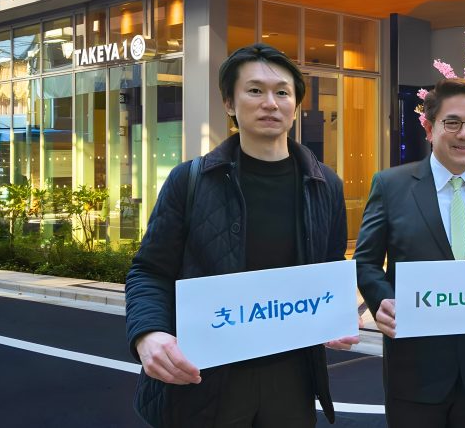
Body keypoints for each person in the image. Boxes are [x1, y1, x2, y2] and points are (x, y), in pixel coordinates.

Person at [125, 43, 357, 428]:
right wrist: (148, 334)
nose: (270, 103)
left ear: (295, 105)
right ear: (229, 103)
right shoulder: (190, 180)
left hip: (292, 376)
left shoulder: (324, 184)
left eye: (282, 92)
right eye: (254, 90)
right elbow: (149, 271)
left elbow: (329, 267)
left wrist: (335, 316)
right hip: (207, 377)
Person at [354, 78, 465, 428]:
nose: (464, 134)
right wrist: (382, 300)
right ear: (429, 128)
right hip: (415, 363)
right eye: (452, 122)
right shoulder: (391, 185)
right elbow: (366, 261)